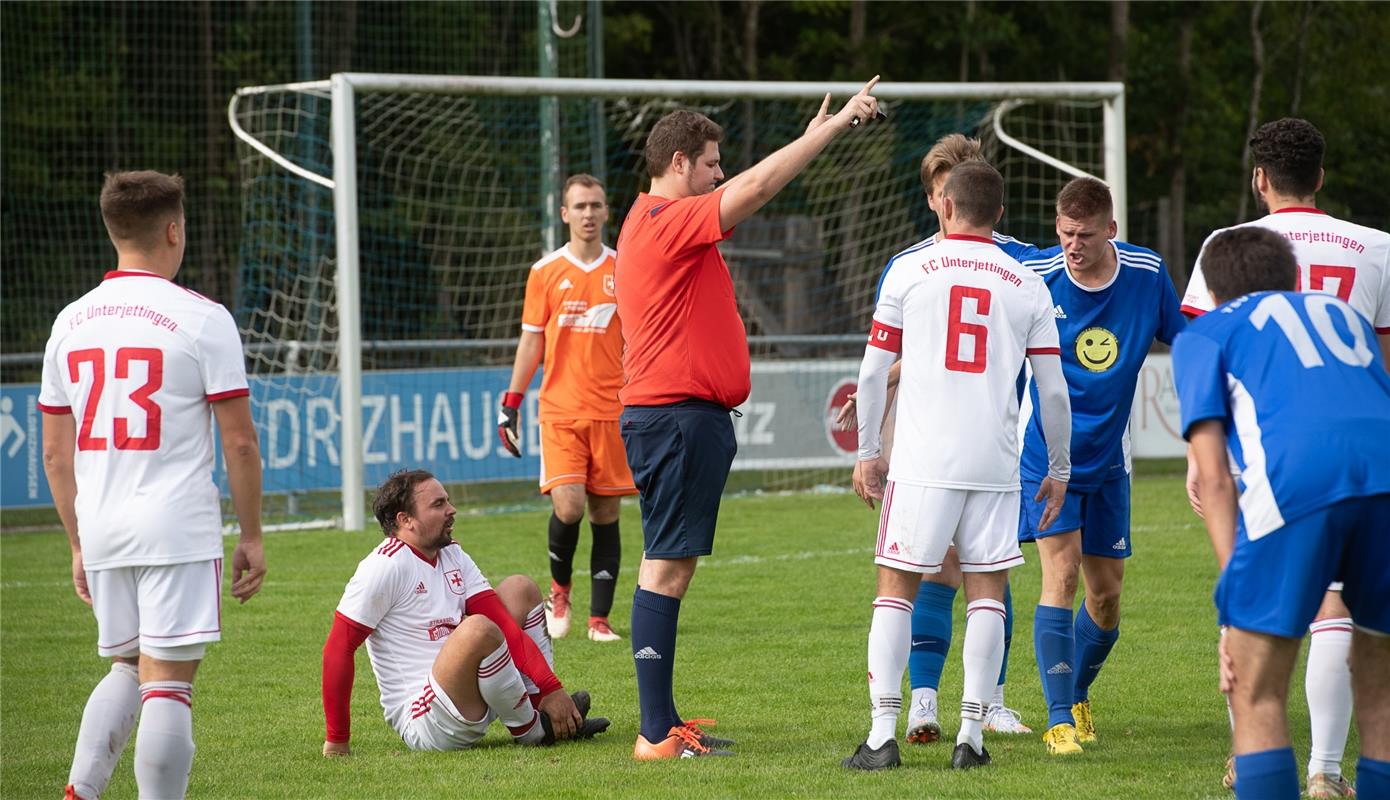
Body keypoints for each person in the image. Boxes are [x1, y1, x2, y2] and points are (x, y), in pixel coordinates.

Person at [615, 77, 881, 760]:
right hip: (675, 418)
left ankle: (663, 717)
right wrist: (827, 130)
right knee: (667, 567)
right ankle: (652, 734)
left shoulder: (655, 221)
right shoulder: (665, 219)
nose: (719, 173)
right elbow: (759, 189)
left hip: (679, 417)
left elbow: (748, 185)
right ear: (680, 163)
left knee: (669, 562)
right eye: (710, 162)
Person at [40, 170, 267, 800]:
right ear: (174, 230)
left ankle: (80, 791)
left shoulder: (70, 322)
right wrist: (252, 535)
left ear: (114, 232)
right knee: (168, 682)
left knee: (126, 665)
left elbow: (56, 456)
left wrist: (78, 542)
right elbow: (240, 441)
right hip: (175, 525)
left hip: (104, 523)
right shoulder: (201, 317)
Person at [1182, 118, 1390, 798]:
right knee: (1381, 689)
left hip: (1289, 467)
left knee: (1255, 684)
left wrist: (1228, 597)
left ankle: (1277, 770)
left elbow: (1213, 474)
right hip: (1383, 465)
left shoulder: (1214, 317)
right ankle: (1330, 771)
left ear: (1259, 180)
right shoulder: (1353, 300)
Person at [843, 161, 1072, 771]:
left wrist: (869, 453)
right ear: (999, 214)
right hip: (994, 465)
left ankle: (881, 734)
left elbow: (871, 373)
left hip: (922, 461)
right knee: (987, 595)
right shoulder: (1027, 283)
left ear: (943, 206)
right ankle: (972, 737)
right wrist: (1059, 468)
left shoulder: (909, 269)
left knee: (895, 590)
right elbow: (1052, 389)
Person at [1013, 177, 1186, 757]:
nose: (1072, 246)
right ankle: (1059, 719)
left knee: (1106, 598)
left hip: (1110, 456)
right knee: (1059, 576)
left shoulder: (1145, 273)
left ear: (1110, 229)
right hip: (1043, 451)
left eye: (1084, 235)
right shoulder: (1037, 277)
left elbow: (1186, 343)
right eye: (1064, 234)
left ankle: (1076, 689)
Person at [320, 469, 608, 756]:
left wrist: (550, 689)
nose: (451, 509)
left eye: (447, 501)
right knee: (478, 629)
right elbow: (338, 648)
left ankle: (542, 709)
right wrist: (337, 740)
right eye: (438, 504)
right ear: (405, 520)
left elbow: (504, 623)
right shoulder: (384, 566)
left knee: (520, 589)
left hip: (470, 694)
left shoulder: (452, 553)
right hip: (426, 719)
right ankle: (534, 731)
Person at [498, 174, 635, 644]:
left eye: (596, 205)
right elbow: (531, 339)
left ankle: (599, 620)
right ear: (565, 213)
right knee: (570, 504)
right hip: (559, 411)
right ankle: (560, 594)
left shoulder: (626, 268)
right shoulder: (545, 272)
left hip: (613, 411)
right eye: (579, 206)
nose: (589, 214)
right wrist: (511, 403)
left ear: (606, 211)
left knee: (605, 513)